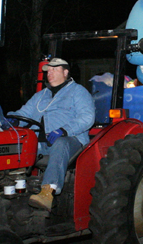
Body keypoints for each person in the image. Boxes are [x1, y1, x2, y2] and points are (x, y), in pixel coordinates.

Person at [8, 58, 95, 211]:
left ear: (66, 72)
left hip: (71, 141)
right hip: (41, 143)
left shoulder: (78, 92)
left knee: (60, 143)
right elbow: (23, 113)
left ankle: (47, 192)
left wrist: (64, 130)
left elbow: (87, 117)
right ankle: (9, 186)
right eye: (48, 70)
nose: (50, 73)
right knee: (13, 146)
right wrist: (9, 120)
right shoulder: (41, 96)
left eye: (55, 69)